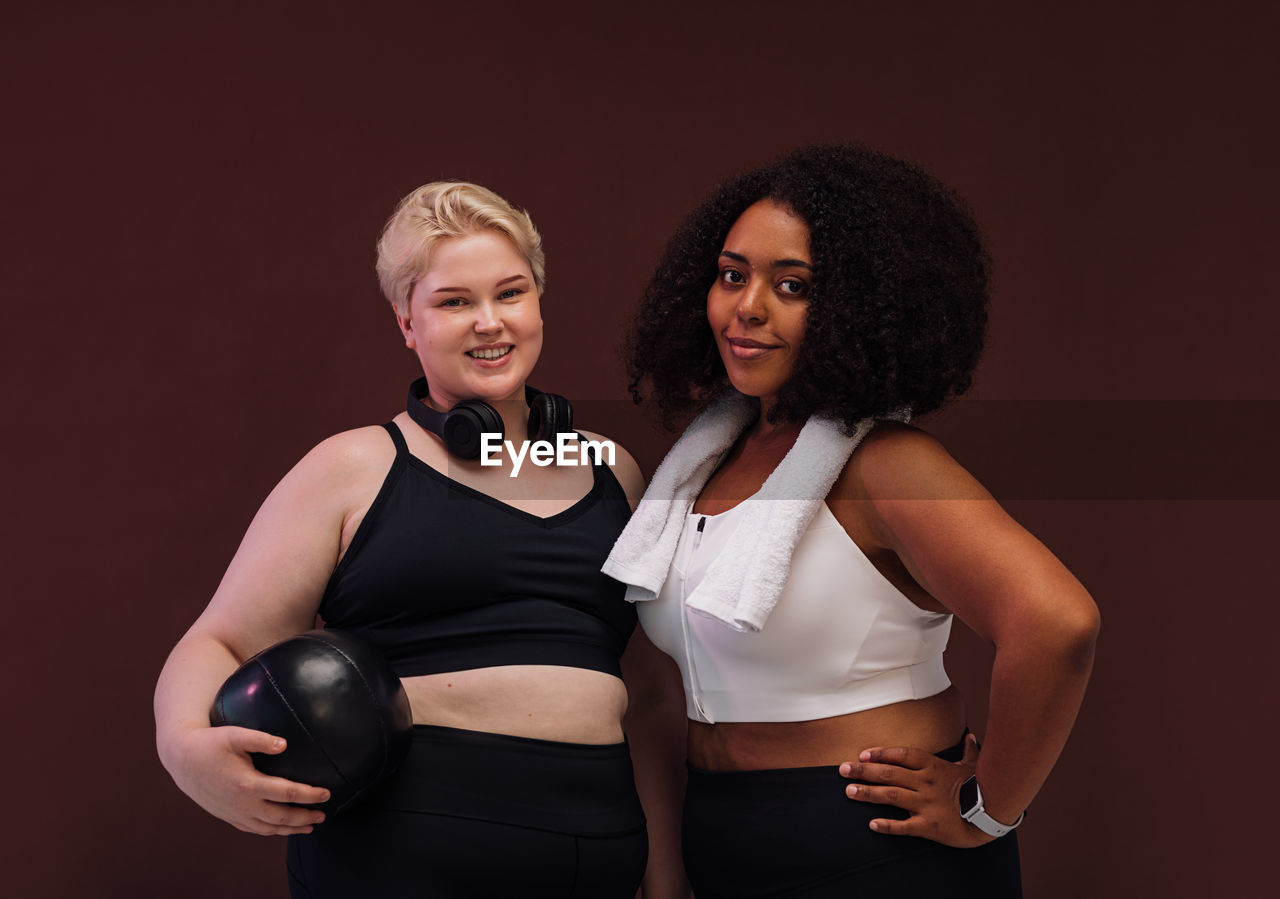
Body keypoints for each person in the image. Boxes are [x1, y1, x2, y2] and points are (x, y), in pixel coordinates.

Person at [154, 181, 680, 898]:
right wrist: (186, 749)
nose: (490, 323)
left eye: (511, 293)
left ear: (538, 302)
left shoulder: (611, 469)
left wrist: (668, 874)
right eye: (454, 301)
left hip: (597, 863)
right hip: (398, 864)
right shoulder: (352, 467)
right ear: (407, 321)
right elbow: (220, 641)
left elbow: (647, 689)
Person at [605, 145, 1100, 898]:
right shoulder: (708, 459)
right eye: (733, 275)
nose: (748, 307)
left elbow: (1058, 622)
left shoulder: (886, 463)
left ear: (859, 308)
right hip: (723, 833)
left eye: (792, 285)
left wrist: (990, 809)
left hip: (872, 848)